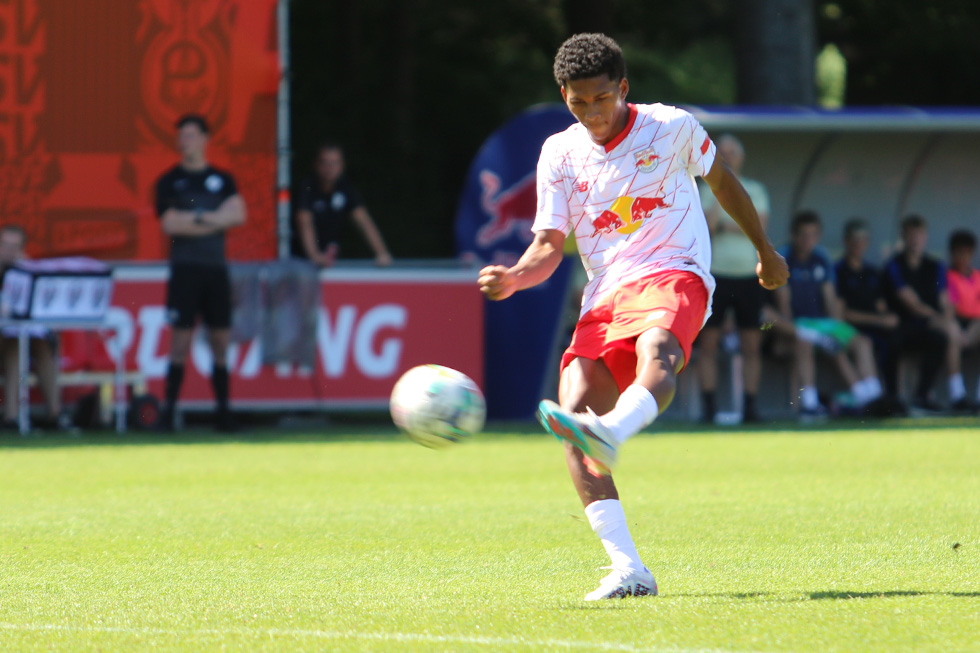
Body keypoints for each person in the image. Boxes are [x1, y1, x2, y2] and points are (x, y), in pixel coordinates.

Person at [478, 33, 788, 601]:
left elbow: (723, 184)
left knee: (657, 351)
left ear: (623, 88)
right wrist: (516, 277)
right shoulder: (559, 153)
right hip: (604, 293)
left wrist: (766, 251)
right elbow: (549, 244)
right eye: (578, 102)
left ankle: (615, 431)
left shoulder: (671, 128)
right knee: (571, 416)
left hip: (676, 268)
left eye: (601, 99)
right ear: (563, 96)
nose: (592, 113)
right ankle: (628, 569)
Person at [155, 114, 246, 431]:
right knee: (179, 340)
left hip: (215, 271)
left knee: (220, 339)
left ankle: (223, 411)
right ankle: (168, 413)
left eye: (192, 135)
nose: (186, 141)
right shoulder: (169, 181)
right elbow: (169, 224)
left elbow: (238, 215)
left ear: (206, 139)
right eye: (182, 136)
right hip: (184, 271)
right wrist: (213, 218)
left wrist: (192, 218)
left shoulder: (223, 179)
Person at [770, 211, 883, 419]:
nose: (807, 240)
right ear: (794, 235)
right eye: (803, 234)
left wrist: (837, 328)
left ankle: (873, 394)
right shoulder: (783, 257)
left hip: (822, 325)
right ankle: (811, 404)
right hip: (797, 326)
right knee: (810, 343)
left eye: (812, 235)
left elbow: (830, 299)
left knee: (861, 342)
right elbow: (783, 304)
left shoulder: (821, 257)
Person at [696, 134, 771, 423]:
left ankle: (750, 407)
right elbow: (709, 226)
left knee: (752, 343)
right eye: (722, 152)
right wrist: (724, 199)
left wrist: (732, 223)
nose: (728, 156)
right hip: (716, 276)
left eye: (732, 152)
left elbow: (758, 226)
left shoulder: (755, 189)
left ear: (741, 157)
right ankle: (709, 408)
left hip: (749, 276)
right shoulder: (704, 191)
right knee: (708, 344)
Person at [881, 215, 971, 413]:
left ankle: (926, 396)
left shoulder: (935, 266)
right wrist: (940, 320)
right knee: (891, 343)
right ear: (903, 236)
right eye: (911, 235)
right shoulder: (894, 266)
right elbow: (912, 303)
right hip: (903, 324)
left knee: (942, 339)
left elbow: (945, 300)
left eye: (919, 235)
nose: (915, 240)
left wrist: (948, 321)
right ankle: (894, 398)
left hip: (930, 327)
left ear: (925, 237)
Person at [834, 218, 906, 411]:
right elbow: (842, 314)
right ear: (846, 241)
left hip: (875, 329)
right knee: (863, 342)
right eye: (854, 239)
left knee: (896, 341)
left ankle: (893, 397)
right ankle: (873, 397)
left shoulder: (873, 272)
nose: (858, 244)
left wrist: (887, 318)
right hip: (849, 329)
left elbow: (881, 306)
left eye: (863, 239)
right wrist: (879, 320)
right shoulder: (838, 272)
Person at [0, 225, 65, 430]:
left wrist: (25, 270)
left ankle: (56, 415)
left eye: (14, 247)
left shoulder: (28, 273)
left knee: (40, 345)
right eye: (4, 245)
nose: (9, 251)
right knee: (14, 344)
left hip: (17, 335)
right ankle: (11, 417)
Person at [292, 142, 393, 268]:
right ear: (316, 164)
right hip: (299, 262)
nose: (329, 168)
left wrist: (382, 253)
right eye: (324, 163)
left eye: (334, 163)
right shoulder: (306, 187)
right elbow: (305, 222)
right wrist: (314, 255)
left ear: (342, 165)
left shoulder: (345, 188)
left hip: (329, 261)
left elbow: (364, 221)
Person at [946, 229, 980, 408]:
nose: (963, 256)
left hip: (976, 325)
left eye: (967, 252)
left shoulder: (977, 277)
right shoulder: (948, 276)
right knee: (952, 338)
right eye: (959, 252)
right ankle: (957, 394)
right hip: (956, 324)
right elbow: (950, 308)